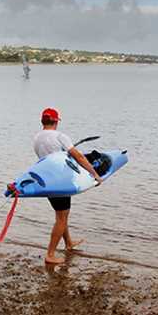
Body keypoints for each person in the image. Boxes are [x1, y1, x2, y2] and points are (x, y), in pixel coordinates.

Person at [33, 107, 102, 264]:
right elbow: (77, 156)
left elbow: (51, 157)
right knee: (61, 218)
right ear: (56, 121)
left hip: (48, 181)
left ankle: (69, 243)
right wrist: (94, 174)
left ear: (42, 121)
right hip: (61, 181)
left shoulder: (37, 138)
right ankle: (50, 254)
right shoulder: (60, 136)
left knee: (62, 215)